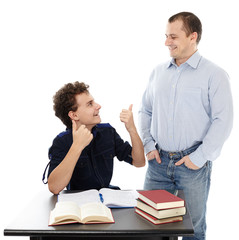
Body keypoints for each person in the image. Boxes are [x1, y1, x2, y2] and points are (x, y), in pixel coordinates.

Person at [138, 12, 233, 240]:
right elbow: (145, 110)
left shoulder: (215, 75)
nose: (167, 42)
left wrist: (198, 158)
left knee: (193, 230)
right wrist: (149, 145)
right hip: (158, 163)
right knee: (147, 225)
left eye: (173, 36)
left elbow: (224, 120)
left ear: (193, 36)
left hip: (193, 165)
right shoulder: (158, 72)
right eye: (166, 36)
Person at [43, 81, 145, 195]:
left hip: (107, 199)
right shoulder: (61, 142)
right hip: (80, 204)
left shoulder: (108, 132)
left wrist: (132, 129)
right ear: (74, 115)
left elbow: (139, 162)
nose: (98, 106)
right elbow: (54, 187)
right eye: (90, 104)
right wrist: (77, 146)